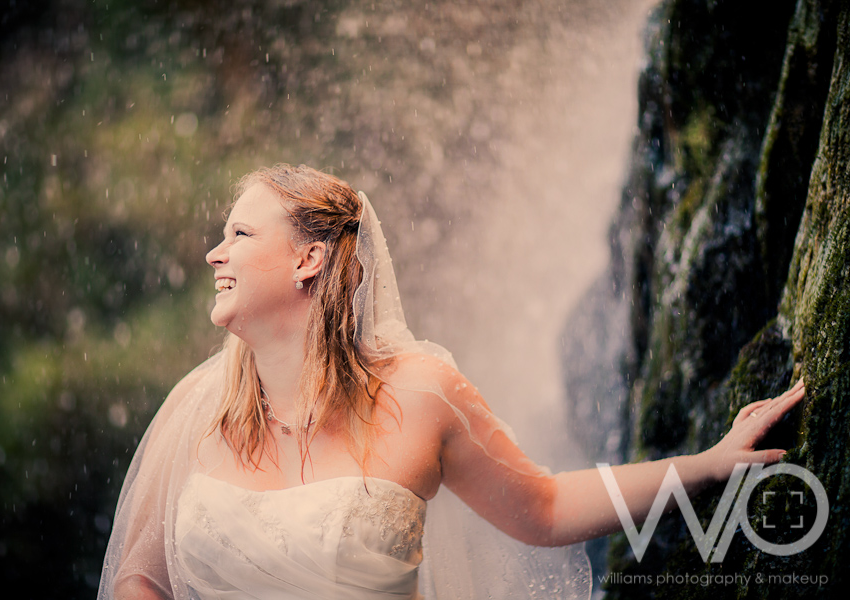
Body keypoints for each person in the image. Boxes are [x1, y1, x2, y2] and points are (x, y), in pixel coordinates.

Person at [97, 164, 806, 600]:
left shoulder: (420, 394)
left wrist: (709, 467)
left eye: (240, 235)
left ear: (308, 259)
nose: (215, 252)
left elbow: (546, 507)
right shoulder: (198, 412)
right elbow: (141, 580)